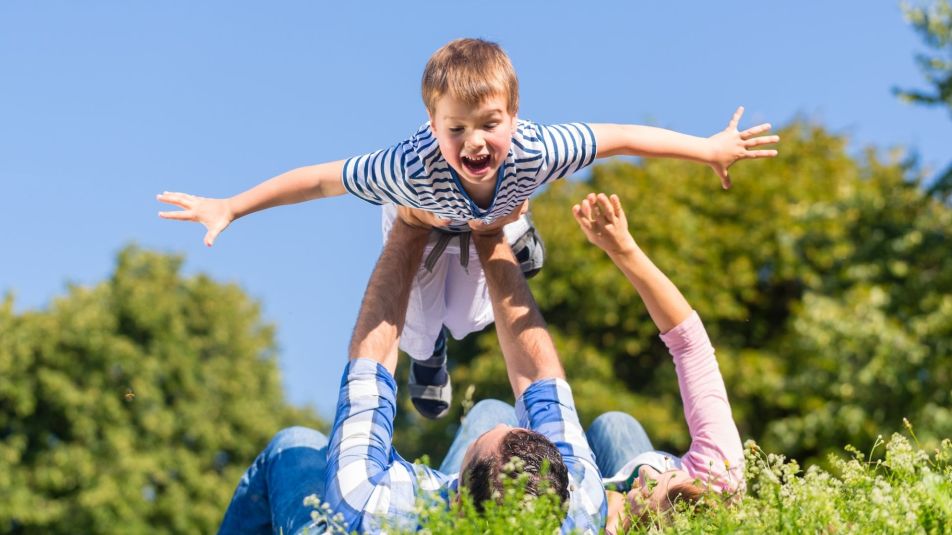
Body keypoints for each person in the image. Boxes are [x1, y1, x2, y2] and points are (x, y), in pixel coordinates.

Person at [157, 38, 779, 419]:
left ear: (514, 115)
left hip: (493, 211)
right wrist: (233, 206)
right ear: (433, 127)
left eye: (489, 124)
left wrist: (707, 147)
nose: (474, 141)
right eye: (455, 130)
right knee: (424, 312)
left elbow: (620, 138)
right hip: (424, 222)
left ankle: (520, 229)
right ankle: (429, 360)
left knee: (494, 249)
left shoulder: (536, 148)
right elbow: (320, 180)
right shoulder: (406, 166)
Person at [216, 206, 606, 534]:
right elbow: (540, 380)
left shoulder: (370, 505)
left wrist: (409, 225)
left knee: (294, 442)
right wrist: (491, 237)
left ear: (455, 505)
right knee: (493, 411)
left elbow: (371, 369)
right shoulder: (581, 503)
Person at [570, 193, 745, 533]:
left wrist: (613, 518)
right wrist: (623, 249)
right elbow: (690, 343)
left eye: (648, 493)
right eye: (667, 477)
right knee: (615, 424)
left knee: (492, 414)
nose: (649, 476)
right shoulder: (720, 476)